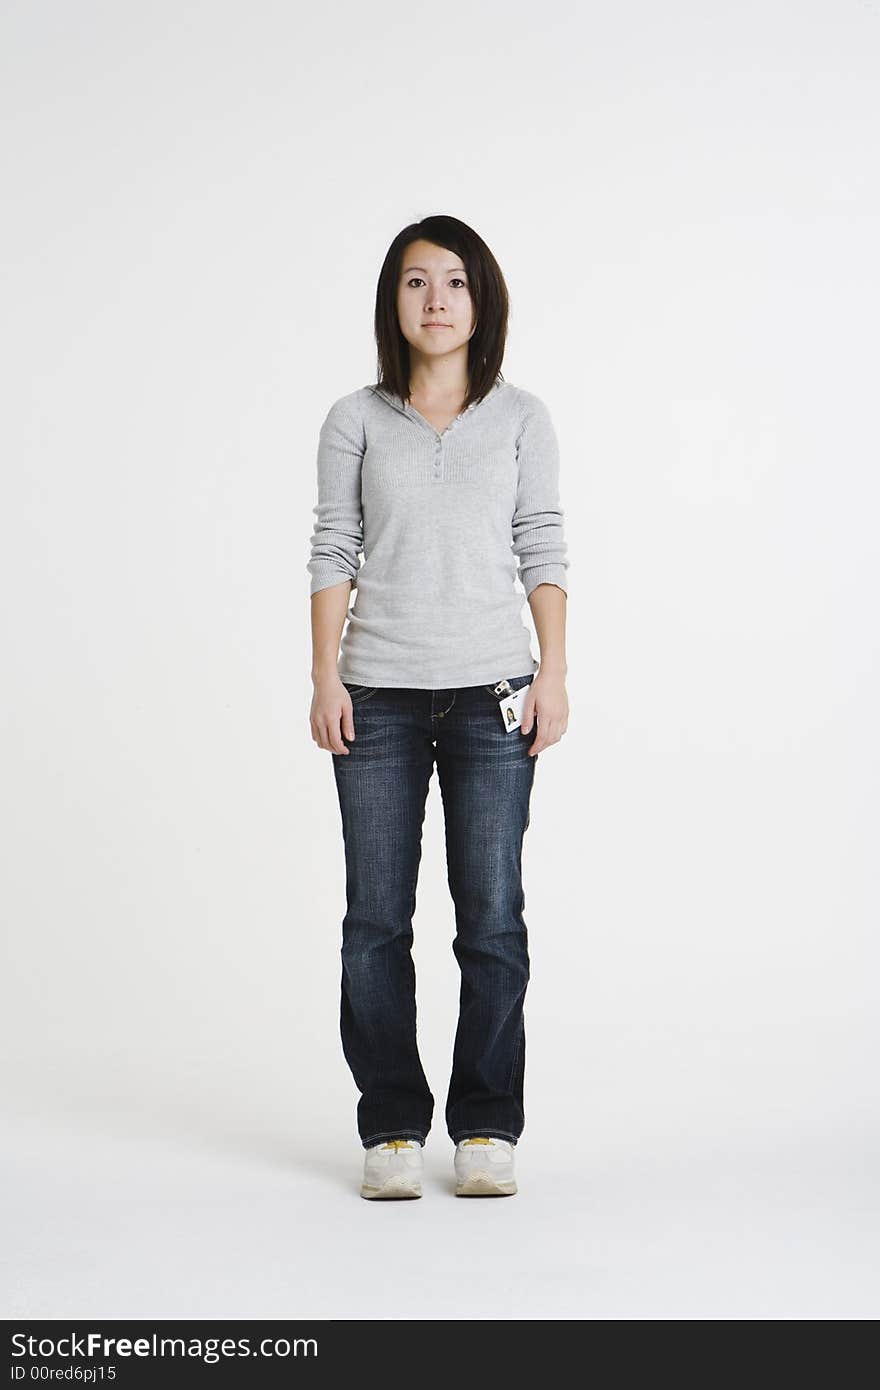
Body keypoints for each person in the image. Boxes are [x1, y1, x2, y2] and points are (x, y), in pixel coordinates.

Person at [307, 214, 569, 1199]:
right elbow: (334, 547)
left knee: (490, 917)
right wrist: (324, 675)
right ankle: (390, 1129)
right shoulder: (355, 419)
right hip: (373, 693)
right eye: (415, 283)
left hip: (494, 693)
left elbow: (542, 542)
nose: (435, 301)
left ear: (480, 299)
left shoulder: (520, 418)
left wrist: (554, 672)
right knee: (375, 920)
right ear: (394, 302)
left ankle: (487, 1125)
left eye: (453, 282)